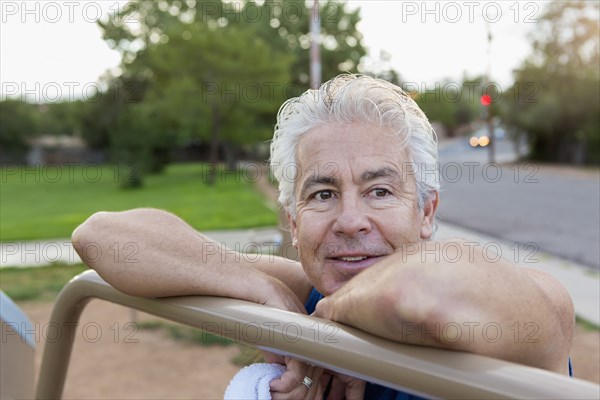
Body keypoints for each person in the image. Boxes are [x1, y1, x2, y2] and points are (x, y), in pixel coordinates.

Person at [72, 74, 574, 399]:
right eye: (322, 194)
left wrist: (319, 333)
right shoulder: (304, 289)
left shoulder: (525, 304)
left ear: (427, 210)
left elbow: (421, 292)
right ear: (293, 222)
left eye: (379, 190)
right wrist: (263, 289)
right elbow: (103, 235)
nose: (350, 220)